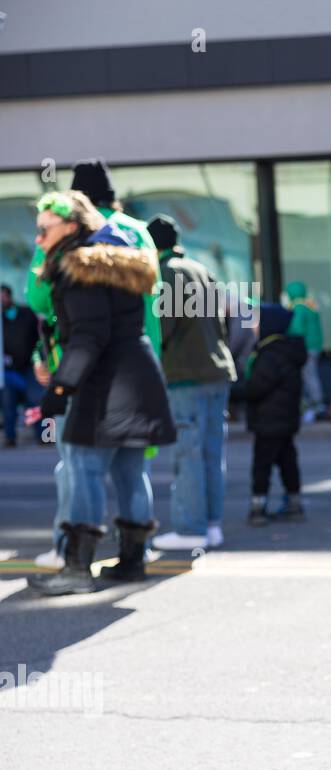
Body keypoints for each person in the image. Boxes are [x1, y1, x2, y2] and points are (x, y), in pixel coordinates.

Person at [25, 191, 176, 596]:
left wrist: (60, 387)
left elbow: (89, 336)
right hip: (136, 374)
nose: (38, 240)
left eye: (43, 230)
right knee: (129, 470)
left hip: (102, 382)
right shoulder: (114, 264)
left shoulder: (79, 270)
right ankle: (131, 562)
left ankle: (77, 569)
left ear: (71, 227)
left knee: (82, 468)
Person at [146, 215, 238, 551]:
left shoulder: (166, 273)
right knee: (212, 453)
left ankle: (190, 528)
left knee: (188, 454)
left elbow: (162, 329)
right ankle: (211, 525)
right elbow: (223, 319)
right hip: (217, 370)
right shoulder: (201, 269)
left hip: (186, 375)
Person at [231, 303, 306, 526]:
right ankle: (294, 502)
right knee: (287, 461)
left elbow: (255, 388)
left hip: (268, 421)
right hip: (285, 420)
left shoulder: (269, 355)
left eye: (256, 322)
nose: (252, 326)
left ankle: (258, 505)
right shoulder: (286, 351)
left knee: (262, 464)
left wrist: (232, 390)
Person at [2, 283, 43, 447]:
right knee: (8, 401)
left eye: (3, 296)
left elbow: (39, 337)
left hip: (30, 366)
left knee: (38, 400)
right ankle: (10, 438)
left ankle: (47, 437)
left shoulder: (26, 314)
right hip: (8, 370)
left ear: (10, 296)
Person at [284, 281, 325, 419]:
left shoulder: (298, 308)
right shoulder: (310, 306)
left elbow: (297, 330)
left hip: (304, 348)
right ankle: (316, 404)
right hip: (314, 346)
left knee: (308, 376)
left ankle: (316, 404)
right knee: (310, 375)